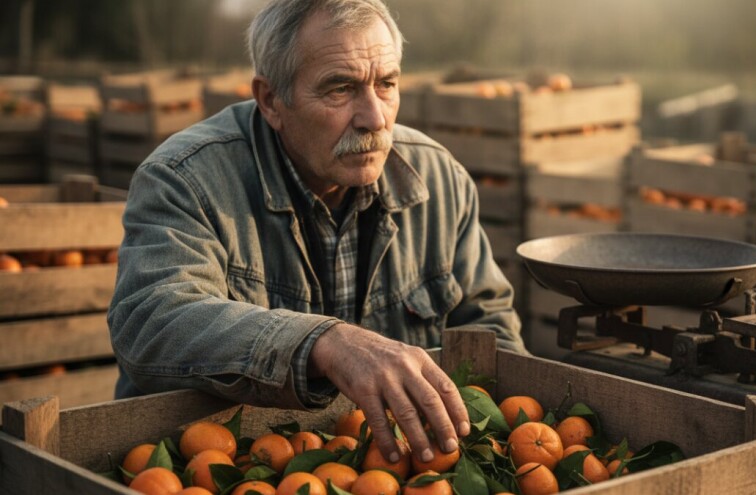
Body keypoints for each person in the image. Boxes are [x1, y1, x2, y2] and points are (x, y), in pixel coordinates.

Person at [108, 0, 525, 466]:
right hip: (223, 466)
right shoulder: (186, 179)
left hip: (389, 468)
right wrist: (321, 342)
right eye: (340, 89)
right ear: (271, 101)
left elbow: (490, 331)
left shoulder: (440, 179)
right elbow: (151, 321)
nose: (375, 117)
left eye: (387, 84)